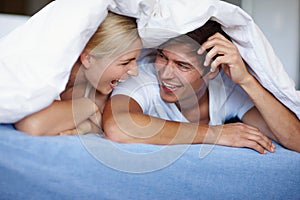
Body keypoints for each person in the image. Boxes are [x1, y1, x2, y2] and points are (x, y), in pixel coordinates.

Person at [102, 20, 300, 154]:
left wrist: (246, 81)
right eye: (162, 56)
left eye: (182, 65)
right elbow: (117, 127)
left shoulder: (225, 87)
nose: (166, 74)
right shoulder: (143, 75)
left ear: (212, 71)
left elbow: (295, 139)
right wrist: (215, 134)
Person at [14, 12, 142, 136]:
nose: (135, 72)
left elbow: (99, 124)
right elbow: (32, 124)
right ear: (87, 59)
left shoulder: (95, 88)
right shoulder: (47, 68)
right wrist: (89, 107)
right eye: (125, 63)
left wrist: (89, 126)